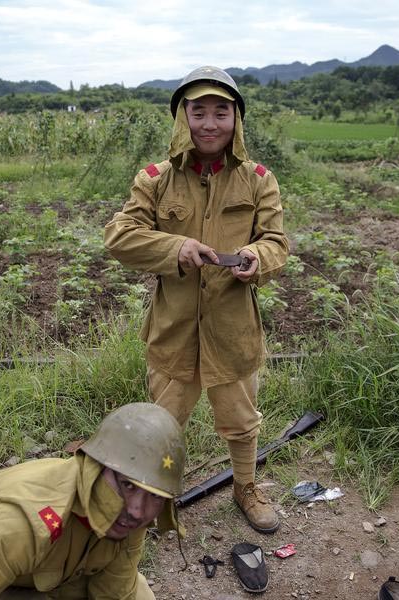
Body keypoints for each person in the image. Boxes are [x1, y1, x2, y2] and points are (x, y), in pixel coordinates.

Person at [104, 66, 289, 534]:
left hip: (233, 331)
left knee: (242, 422)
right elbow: (120, 237)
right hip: (174, 330)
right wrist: (176, 248)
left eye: (221, 112)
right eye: (198, 111)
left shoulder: (258, 180)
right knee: (161, 427)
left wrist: (255, 257)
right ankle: (148, 498)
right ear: (182, 117)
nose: (209, 123)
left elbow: (276, 242)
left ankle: (245, 487)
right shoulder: (155, 179)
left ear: (236, 120)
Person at [0, 402, 185, 599]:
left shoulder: (129, 517)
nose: (137, 511)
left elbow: (115, 591)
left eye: (154, 496)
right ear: (95, 469)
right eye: (126, 485)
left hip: (58, 576)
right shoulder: (20, 523)